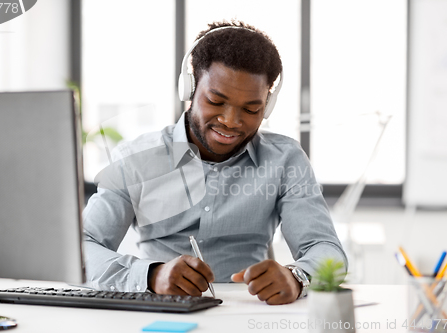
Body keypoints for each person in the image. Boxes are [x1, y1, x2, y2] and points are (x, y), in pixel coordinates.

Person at [83, 20, 347, 305]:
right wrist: (151, 276)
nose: (231, 121)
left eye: (251, 109)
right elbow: (83, 248)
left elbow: (327, 250)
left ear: (267, 106)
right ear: (190, 89)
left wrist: (298, 277)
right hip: (160, 311)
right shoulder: (134, 160)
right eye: (216, 101)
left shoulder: (285, 160)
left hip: (249, 314)